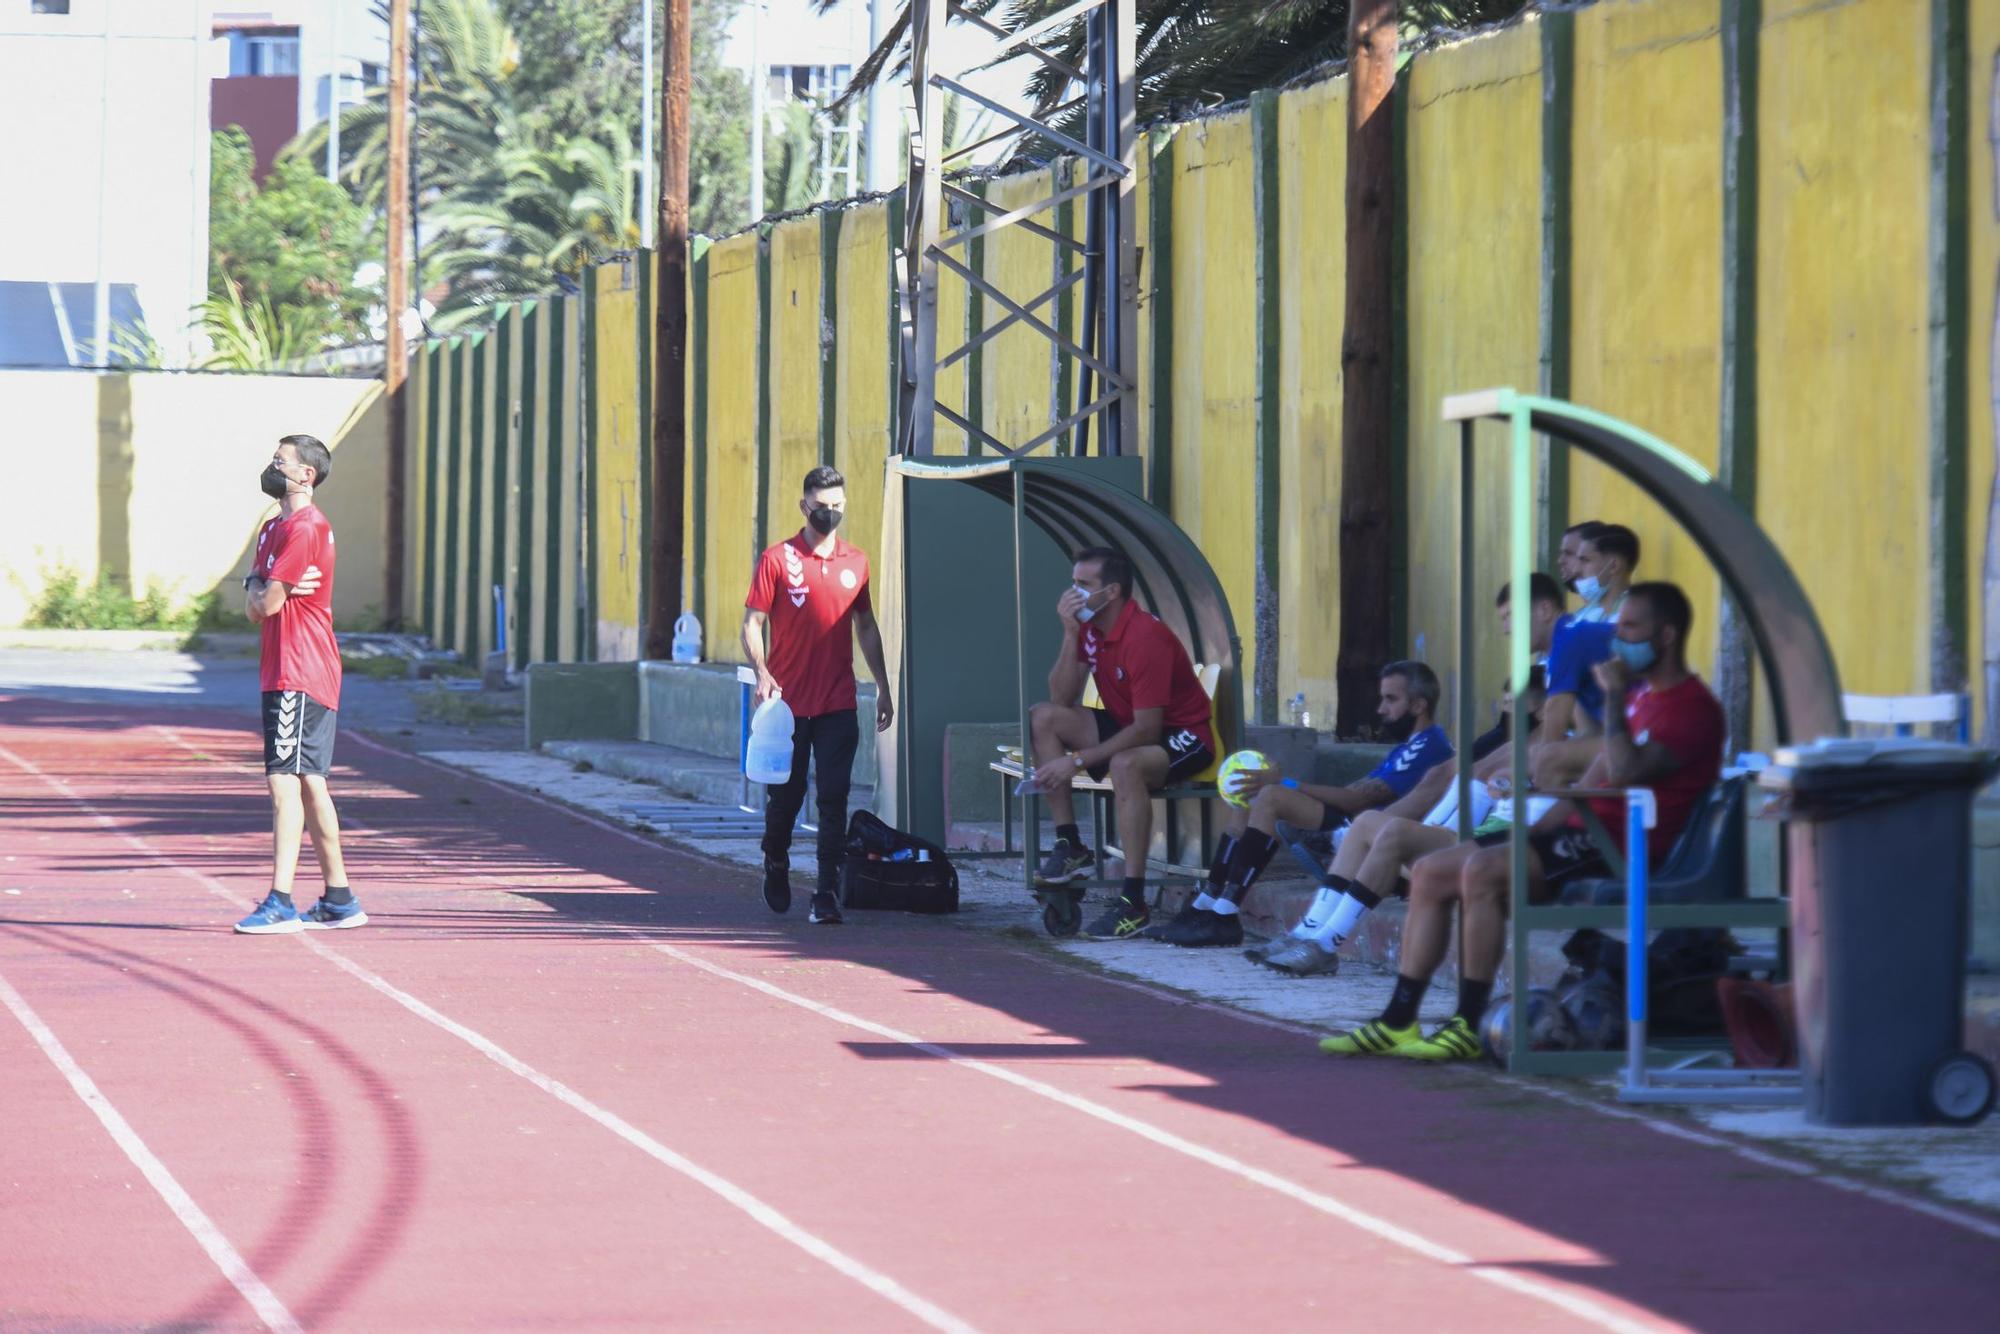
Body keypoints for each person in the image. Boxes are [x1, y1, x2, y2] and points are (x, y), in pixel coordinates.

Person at [1320, 582, 1723, 1059]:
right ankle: (1398, 1021)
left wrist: (1611, 702)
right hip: (1580, 834)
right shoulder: (1646, 698)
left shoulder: (1689, 706)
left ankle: (1467, 1025)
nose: (1619, 637)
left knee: (1482, 873)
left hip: (1621, 846)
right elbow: (1592, 781)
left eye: (1631, 627)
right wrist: (1539, 825)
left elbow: (1627, 770)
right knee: (1431, 871)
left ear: (1668, 635)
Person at [1253, 578, 1561, 976]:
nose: (1505, 630)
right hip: (1469, 835)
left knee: (1389, 828)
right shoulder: (1513, 741)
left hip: (1503, 846)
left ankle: (1325, 943)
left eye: (1510, 619)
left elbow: (1364, 795)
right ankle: (1309, 933)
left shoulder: (1535, 741)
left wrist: (1290, 784)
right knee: (1371, 824)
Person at [1153, 661, 1454, 949]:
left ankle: (1225, 914)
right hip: (1358, 829)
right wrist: (1278, 783)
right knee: (1251, 795)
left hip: (1383, 850)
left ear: (1418, 705)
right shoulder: (1410, 746)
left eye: (1391, 700)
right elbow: (1354, 794)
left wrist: (1285, 782)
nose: (1381, 709)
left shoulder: (1429, 747)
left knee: (1270, 796)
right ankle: (1207, 903)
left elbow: (1359, 799)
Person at [1027, 547, 1217, 939]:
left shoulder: (1145, 636)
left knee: (1125, 764)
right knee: (1043, 716)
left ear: (1112, 591)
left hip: (1183, 734)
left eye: (1084, 585)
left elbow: (1149, 730)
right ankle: (1070, 844)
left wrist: (1077, 761)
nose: (1073, 593)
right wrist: (1069, 633)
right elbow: (1062, 698)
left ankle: (1134, 902)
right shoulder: (1091, 628)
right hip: (1131, 724)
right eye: (1073, 583)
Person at [743, 466, 894, 926]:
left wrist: (883, 685)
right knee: (786, 798)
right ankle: (776, 860)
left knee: (833, 797)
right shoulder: (777, 559)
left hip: (838, 703)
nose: (830, 514)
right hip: (786, 707)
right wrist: (762, 671)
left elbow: (865, 626)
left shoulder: (857, 563)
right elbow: (753, 623)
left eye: (837, 507)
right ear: (804, 507)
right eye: (822, 507)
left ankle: (826, 892)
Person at [233, 435, 359, 934]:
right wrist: (259, 584)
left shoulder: (307, 527)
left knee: (284, 782)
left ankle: (281, 900)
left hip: (299, 669)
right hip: (287, 666)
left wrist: (261, 588)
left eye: (281, 461)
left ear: (306, 475)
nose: (272, 466)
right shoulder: (272, 528)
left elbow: (264, 604)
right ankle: (340, 898)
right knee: (310, 784)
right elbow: (254, 604)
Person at [1529, 523, 1641, 789]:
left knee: (1541, 758)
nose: (1577, 569)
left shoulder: (1631, 615)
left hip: (1619, 731)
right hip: (1586, 729)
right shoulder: (1580, 619)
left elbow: (1560, 704)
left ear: (1613, 566)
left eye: (1584, 560)